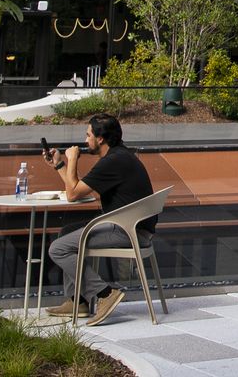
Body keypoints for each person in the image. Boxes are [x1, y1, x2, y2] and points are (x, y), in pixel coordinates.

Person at [44, 114, 156, 325]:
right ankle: (78, 301)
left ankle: (105, 293)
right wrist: (59, 165)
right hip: (130, 226)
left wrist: (73, 159)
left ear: (100, 139)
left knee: (58, 249)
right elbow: (78, 189)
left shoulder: (113, 161)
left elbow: (72, 194)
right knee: (67, 233)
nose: (85, 140)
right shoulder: (119, 156)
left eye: (88, 135)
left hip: (127, 231)